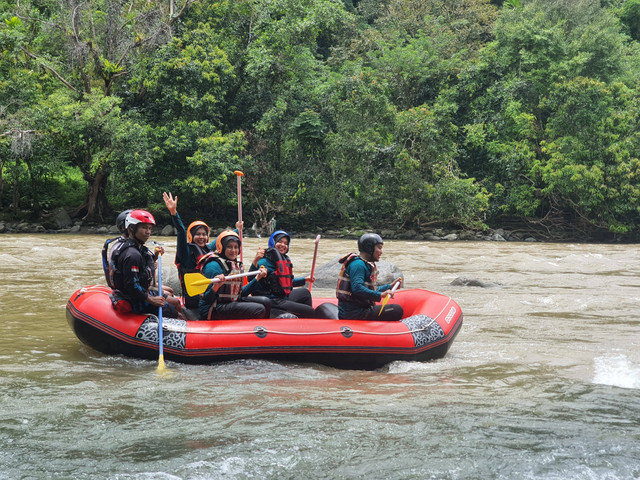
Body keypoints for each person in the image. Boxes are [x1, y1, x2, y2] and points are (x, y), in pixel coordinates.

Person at [111, 209, 182, 318]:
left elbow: (142, 268)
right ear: (131, 228)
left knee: (176, 303)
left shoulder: (138, 248)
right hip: (136, 299)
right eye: (144, 228)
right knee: (177, 314)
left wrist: (155, 256)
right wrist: (151, 300)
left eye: (149, 228)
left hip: (142, 293)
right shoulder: (132, 255)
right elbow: (132, 285)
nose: (148, 232)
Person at [197, 230, 269, 320]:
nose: (233, 250)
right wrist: (215, 287)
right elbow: (206, 299)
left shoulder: (235, 264)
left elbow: (241, 294)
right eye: (229, 247)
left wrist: (258, 278)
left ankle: (265, 330)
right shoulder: (213, 266)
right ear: (221, 247)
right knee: (259, 309)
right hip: (212, 308)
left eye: (236, 247)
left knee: (266, 301)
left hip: (229, 302)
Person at [336, 233, 403, 321]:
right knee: (396, 310)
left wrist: (389, 286)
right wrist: (380, 295)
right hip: (354, 313)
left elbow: (367, 290)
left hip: (360, 310)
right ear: (369, 248)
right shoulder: (358, 265)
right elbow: (357, 288)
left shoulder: (364, 264)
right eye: (379, 248)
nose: (381, 252)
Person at [163, 192, 213, 309]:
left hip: (207, 292)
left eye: (204, 234)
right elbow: (181, 231)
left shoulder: (207, 249)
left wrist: (237, 229)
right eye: (198, 234)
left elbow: (221, 242)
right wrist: (174, 213)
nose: (201, 237)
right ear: (191, 236)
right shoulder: (185, 252)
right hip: (193, 297)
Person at [251, 230, 316, 318]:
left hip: (281, 297)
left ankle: (300, 322)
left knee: (304, 293)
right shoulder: (263, 262)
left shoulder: (283, 260)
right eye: (280, 242)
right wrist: (255, 261)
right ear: (273, 242)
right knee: (310, 311)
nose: (283, 245)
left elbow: (285, 282)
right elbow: (251, 280)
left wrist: (305, 280)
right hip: (271, 301)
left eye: (285, 243)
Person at [101, 209, 131, 288]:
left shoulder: (121, 244)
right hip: (125, 289)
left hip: (125, 284)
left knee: (168, 289)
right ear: (123, 227)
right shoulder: (123, 248)